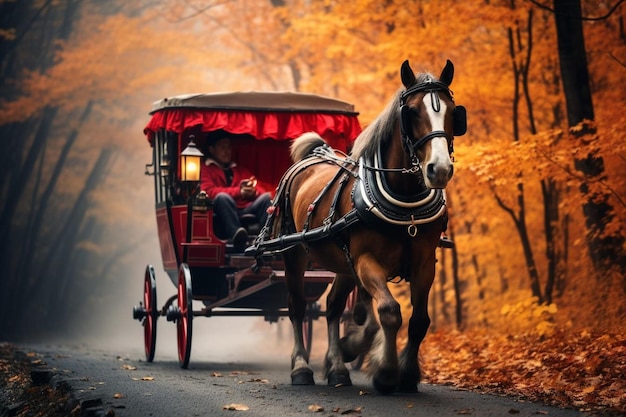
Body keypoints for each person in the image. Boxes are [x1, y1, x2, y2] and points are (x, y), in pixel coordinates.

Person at [200, 132, 271, 251]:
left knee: (266, 197)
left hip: (245, 209)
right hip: (223, 211)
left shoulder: (239, 169)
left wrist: (253, 192)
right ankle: (236, 234)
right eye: (222, 147)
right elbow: (209, 192)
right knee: (222, 197)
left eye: (228, 147)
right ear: (212, 150)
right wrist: (239, 192)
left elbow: (258, 187)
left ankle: (264, 237)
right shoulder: (206, 169)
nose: (227, 151)